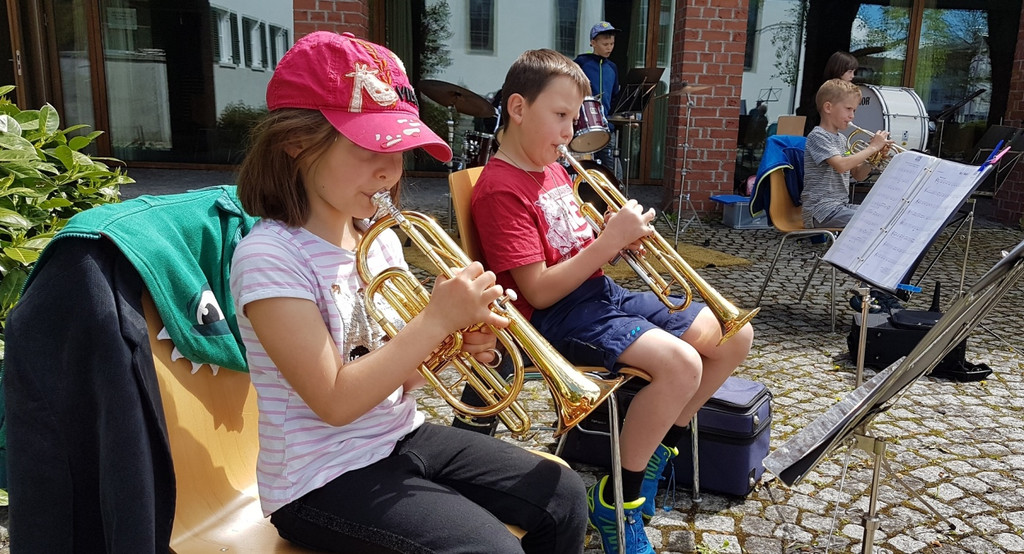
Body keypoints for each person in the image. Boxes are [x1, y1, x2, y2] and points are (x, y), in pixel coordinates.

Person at [230, 32, 588, 553]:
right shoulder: (270, 257)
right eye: (368, 148)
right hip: (318, 479)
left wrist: (452, 347)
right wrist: (435, 323)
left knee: (564, 495)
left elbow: (394, 368)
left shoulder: (377, 239)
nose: (388, 170)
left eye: (398, 150)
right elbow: (334, 401)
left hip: (398, 437)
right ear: (296, 142)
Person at [471, 48, 754, 554]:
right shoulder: (500, 187)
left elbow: (575, 247)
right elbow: (536, 289)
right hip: (557, 317)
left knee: (735, 335)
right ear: (517, 108)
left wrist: (612, 235)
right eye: (558, 116)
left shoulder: (553, 169)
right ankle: (616, 497)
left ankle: (656, 449)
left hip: (601, 296)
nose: (567, 133)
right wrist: (606, 244)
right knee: (681, 364)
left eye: (572, 119)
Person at [801, 78, 893, 229]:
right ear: (828, 107)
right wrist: (872, 148)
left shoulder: (842, 139)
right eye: (848, 109)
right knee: (871, 223)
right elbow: (841, 166)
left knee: (882, 217)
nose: (852, 116)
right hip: (821, 210)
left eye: (854, 111)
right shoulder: (818, 136)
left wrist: (875, 157)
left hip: (839, 206)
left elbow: (858, 174)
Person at [574, 21, 622, 172]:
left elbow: (615, 97)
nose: (609, 48)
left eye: (612, 44)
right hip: (582, 126)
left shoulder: (612, 68)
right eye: (605, 44)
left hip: (606, 127)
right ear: (593, 43)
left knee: (614, 172)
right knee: (583, 169)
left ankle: (615, 195)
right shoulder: (581, 63)